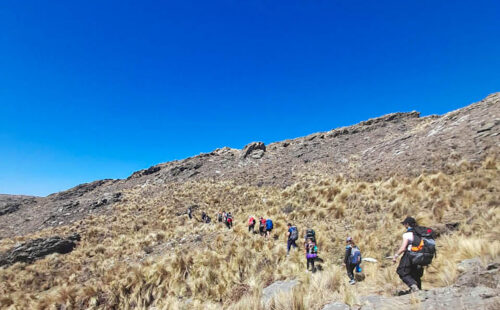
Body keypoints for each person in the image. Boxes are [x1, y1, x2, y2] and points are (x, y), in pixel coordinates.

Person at [393, 216, 424, 292]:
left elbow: (403, 248)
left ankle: (413, 285)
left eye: (404, 224)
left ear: (407, 224)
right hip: (421, 255)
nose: (404, 226)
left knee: (401, 271)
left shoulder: (407, 234)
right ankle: (418, 290)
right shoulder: (420, 233)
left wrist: (396, 256)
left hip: (410, 254)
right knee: (415, 273)